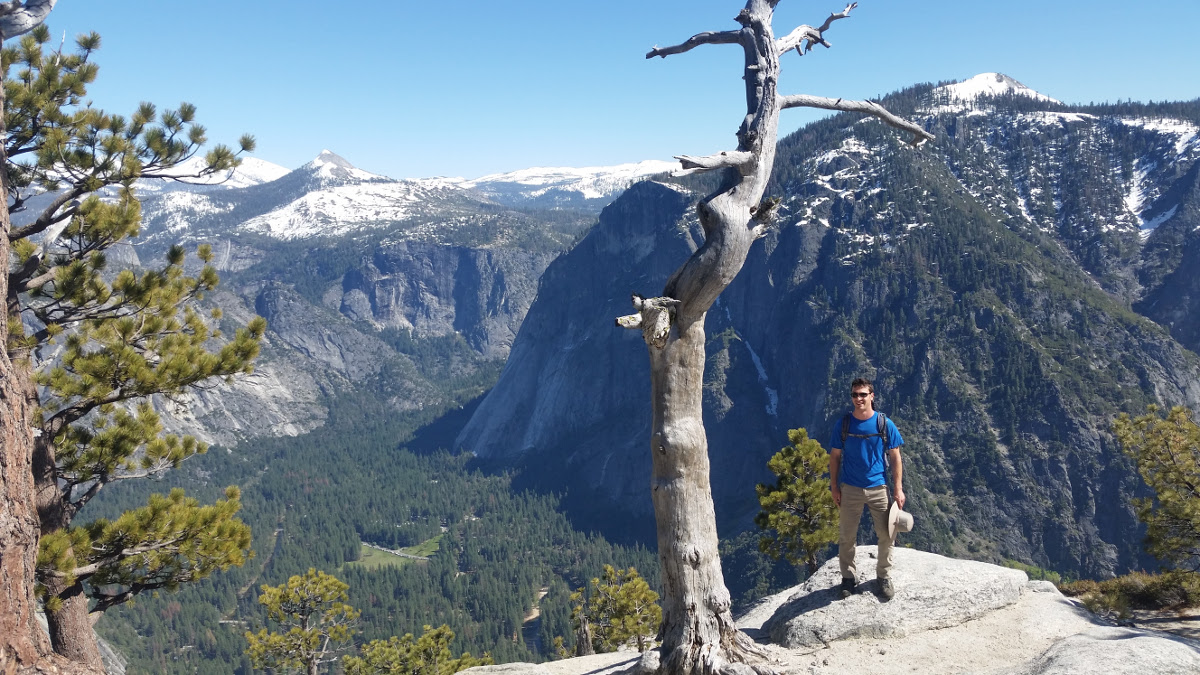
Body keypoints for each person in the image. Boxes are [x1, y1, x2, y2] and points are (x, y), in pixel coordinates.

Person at [828, 377, 905, 600]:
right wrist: (834, 486)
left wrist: (898, 489)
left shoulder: (884, 424)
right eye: (855, 395)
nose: (858, 398)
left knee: (887, 535)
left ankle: (883, 576)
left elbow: (896, 457)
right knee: (846, 536)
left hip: (878, 487)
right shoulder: (843, 424)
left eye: (863, 394)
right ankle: (848, 578)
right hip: (850, 488)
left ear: (872, 396)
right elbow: (834, 457)